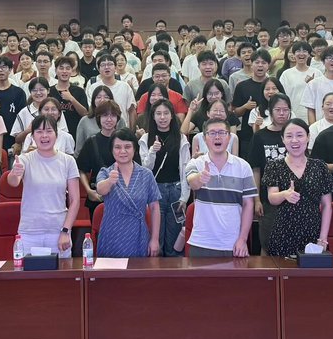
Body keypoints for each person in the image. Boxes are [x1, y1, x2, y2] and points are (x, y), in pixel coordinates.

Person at [8, 115, 81, 258]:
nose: (44, 136)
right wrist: (14, 173)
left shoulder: (68, 161)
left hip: (58, 232)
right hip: (29, 232)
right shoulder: (24, 159)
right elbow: (13, 182)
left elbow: (75, 200)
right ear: (32, 136)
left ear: (56, 134)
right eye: (39, 132)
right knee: (27, 272)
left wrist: (66, 231)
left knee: (62, 271)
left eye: (49, 131)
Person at [184, 118, 258, 258]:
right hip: (201, 243)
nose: (217, 137)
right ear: (204, 138)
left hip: (233, 244)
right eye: (212, 133)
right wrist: (200, 178)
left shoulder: (243, 166)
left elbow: (248, 204)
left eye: (222, 133)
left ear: (229, 137)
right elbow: (192, 183)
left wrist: (242, 239)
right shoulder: (195, 163)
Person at [263, 118, 333, 256]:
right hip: (282, 234)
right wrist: (284, 195)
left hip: (313, 233)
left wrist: (323, 238)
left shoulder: (319, 166)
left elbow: (327, 205)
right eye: (289, 136)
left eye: (300, 135)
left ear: (308, 137)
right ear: (283, 139)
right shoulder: (274, 166)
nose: (294, 140)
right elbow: (272, 198)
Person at [94, 128, 162, 257]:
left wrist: (154, 239)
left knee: (137, 269)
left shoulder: (146, 175)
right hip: (112, 234)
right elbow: (100, 189)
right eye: (117, 147)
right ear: (111, 150)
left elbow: (154, 208)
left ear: (134, 148)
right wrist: (110, 181)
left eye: (127, 147)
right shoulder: (106, 172)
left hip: (137, 234)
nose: (122, 151)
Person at [139, 99, 190, 257]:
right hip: (155, 192)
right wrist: (152, 151)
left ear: (172, 116)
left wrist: (184, 197)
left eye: (166, 113)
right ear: (153, 116)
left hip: (176, 190)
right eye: (158, 114)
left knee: (175, 237)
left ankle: (174, 269)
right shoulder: (145, 138)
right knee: (156, 236)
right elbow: (145, 169)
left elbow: (186, 169)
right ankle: (155, 268)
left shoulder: (181, 138)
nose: (162, 117)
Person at [247, 92, 292, 254]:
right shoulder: (260, 136)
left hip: (293, 198)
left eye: (285, 110)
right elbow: (256, 169)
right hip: (268, 200)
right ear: (270, 111)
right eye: (278, 110)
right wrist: (257, 199)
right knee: (267, 244)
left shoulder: (294, 135)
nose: (282, 113)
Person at [77, 100, 122, 206]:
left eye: (113, 115)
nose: (109, 119)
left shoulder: (124, 140)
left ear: (118, 118)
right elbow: (82, 170)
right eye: (105, 115)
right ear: (99, 118)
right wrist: (88, 191)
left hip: (121, 194)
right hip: (97, 195)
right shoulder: (91, 142)